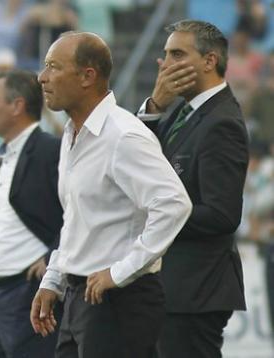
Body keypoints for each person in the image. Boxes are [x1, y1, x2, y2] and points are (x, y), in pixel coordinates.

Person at [30, 31, 193, 358]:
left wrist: (119, 272)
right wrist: (54, 279)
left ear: (87, 76)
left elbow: (174, 204)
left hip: (121, 300)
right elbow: (78, 219)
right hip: (80, 297)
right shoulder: (72, 133)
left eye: (53, 67)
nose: (42, 77)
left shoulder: (124, 135)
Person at [137, 19, 249, 357]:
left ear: (209, 61)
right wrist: (154, 107)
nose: (165, 64)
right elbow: (136, 162)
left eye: (177, 54)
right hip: (172, 290)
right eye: (165, 55)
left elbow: (222, 214)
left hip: (195, 292)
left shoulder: (222, 122)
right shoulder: (183, 112)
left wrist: (157, 217)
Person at [0, 69, 63, 357]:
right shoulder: (8, 154)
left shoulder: (49, 150)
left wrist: (54, 255)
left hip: (29, 291)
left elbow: (78, 210)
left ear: (17, 106)